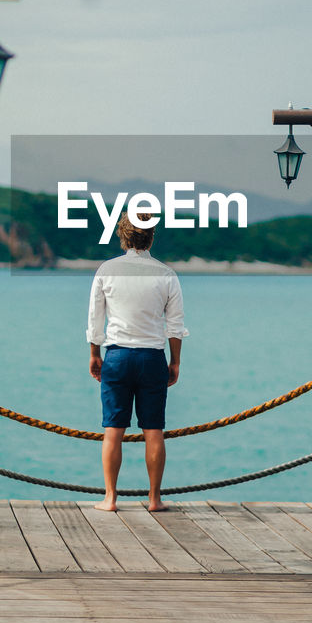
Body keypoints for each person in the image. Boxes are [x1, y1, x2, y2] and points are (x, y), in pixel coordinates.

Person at [87, 211, 187, 512]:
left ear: (123, 235)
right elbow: (175, 325)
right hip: (152, 356)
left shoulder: (107, 269)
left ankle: (110, 498)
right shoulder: (166, 274)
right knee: (153, 429)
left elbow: (95, 318)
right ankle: (154, 498)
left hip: (117, 356)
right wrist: (175, 361)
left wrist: (94, 353)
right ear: (150, 236)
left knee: (113, 429)